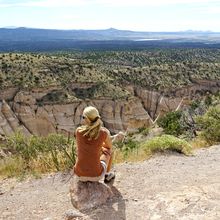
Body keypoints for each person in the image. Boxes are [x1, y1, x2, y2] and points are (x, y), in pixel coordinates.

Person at [73, 106, 124, 183]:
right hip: (96, 175)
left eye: (83, 117)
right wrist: (101, 147)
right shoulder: (104, 132)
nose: (82, 119)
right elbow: (109, 147)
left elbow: (88, 144)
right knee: (108, 150)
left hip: (79, 174)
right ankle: (107, 175)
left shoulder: (78, 131)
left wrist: (99, 147)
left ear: (87, 119)